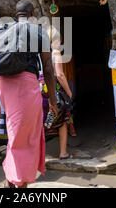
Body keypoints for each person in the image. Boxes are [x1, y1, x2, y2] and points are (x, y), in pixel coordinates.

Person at [0, 0, 58, 188]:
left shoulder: (0, 31)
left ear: (16, 13)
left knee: (16, 133)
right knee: (26, 137)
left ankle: (12, 180)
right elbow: (48, 69)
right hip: (26, 87)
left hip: (5, 87)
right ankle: (18, 182)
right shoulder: (38, 32)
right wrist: (53, 101)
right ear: (32, 14)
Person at [41, 32, 77, 160]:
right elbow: (60, 75)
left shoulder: (39, 53)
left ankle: (39, 155)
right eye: (60, 41)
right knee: (62, 121)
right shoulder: (55, 53)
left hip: (40, 91)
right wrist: (69, 92)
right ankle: (63, 152)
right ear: (54, 41)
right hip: (53, 91)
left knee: (43, 122)